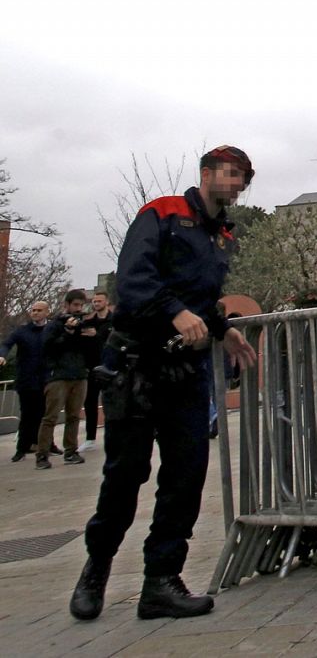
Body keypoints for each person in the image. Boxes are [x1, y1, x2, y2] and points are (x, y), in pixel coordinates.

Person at [72, 146, 260, 622]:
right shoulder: (162, 213)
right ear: (206, 173)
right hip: (137, 363)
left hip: (185, 371)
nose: (238, 184)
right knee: (125, 473)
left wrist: (223, 327)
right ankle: (96, 569)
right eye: (231, 174)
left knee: (185, 474)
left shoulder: (223, 235)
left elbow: (204, 296)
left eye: (244, 178)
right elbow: (133, 281)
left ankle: (161, 582)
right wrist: (174, 312)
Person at [37, 289, 104, 469]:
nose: (78, 309)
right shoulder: (54, 325)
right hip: (58, 376)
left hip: (80, 375)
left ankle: (71, 451)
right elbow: (48, 349)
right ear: (66, 305)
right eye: (75, 305)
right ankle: (42, 454)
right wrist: (67, 332)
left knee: (73, 416)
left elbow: (92, 353)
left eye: (81, 305)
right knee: (50, 417)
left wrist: (93, 337)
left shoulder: (84, 325)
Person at [3, 301, 52, 462]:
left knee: (45, 414)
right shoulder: (23, 331)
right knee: (27, 415)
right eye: (33, 310)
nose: (35, 313)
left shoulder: (51, 330)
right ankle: (21, 449)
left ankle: (47, 445)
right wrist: (2, 355)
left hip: (46, 380)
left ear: (47, 312)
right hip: (26, 380)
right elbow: (7, 344)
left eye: (39, 310)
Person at [80, 291, 115, 451]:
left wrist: (98, 335)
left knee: (112, 402)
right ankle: (90, 438)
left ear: (106, 302)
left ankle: (113, 435)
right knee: (90, 402)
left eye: (99, 301)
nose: (96, 303)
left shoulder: (114, 320)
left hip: (111, 366)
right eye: (94, 301)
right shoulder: (89, 322)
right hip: (93, 367)